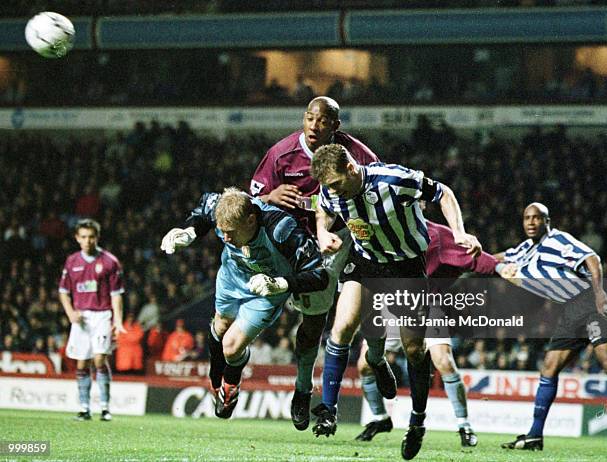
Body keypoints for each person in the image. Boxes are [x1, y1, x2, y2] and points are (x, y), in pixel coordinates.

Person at [310, 144, 481, 460]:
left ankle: (417, 422)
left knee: (414, 348)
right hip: (365, 262)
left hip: (405, 266)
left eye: (335, 184)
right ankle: (329, 409)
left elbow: (443, 193)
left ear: (350, 168)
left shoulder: (393, 179)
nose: (333, 191)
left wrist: (459, 232)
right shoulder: (331, 189)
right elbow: (323, 207)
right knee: (343, 327)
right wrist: (322, 231)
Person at [250, 96, 379, 430]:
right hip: (304, 247)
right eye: (309, 118)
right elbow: (248, 201)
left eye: (322, 120)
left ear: (335, 126)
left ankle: (378, 361)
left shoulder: (357, 155)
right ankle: (303, 388)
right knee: (313, 322)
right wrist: (269, 196)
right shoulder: (281, 154)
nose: (313, 125)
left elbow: (378, 188)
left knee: (369, 308)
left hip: (346, 239)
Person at [160, 187, 328, 419]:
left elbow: (320, 275)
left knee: (230, 346)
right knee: (219, 326)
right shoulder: (220, 206)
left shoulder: (282, 229)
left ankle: (230, 387)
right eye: (222, 231)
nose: (226, 238)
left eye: (230, 232)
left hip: (266, 290)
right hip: (231, 277)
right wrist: (189, 231)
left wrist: (281, 284)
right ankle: (216, 378)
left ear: (250, 221)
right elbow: (202, 211)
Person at [356, 212, 498, 447]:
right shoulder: (381, 226)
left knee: (443, 361)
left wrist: (500, 268)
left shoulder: (440, 235)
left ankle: (464, 425)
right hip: (392, 305)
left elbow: (475, 258)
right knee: (364, 365)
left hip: (429, 306)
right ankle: (380, 418)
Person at [497, 203, 607, 451]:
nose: (531, 222)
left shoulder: (558, 240)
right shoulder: (525, 249)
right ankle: (534, 436)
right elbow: (498, 258)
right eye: (527, 217)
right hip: (570, 310)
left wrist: (600, 292)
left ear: (546, 221)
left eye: (537, 218)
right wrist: (468, 256)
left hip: (590, 301)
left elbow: (593, 258)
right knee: (549, 367)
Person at [59, 218, 126, 421]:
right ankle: (84, 408)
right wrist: (70, 312)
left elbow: (117, 295)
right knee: (82, 363)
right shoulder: (71, 262)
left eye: (91, 237)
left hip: (102, 315)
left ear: (97, 237)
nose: (88, 241)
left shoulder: (110, 262)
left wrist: (118, 320)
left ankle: (105, 407)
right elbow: (63, 292)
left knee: (99, 358)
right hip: (81, 318)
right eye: (84, 237)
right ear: (77, 238)